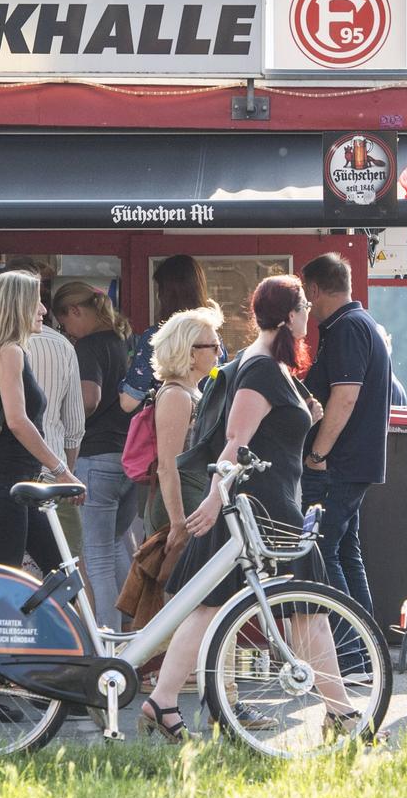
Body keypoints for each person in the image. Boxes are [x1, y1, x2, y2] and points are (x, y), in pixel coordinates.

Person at [143, 275, 346, 740]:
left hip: (255, 504)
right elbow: (235, 441)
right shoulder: (259, 369)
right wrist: (216, 500)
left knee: (208, 606)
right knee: (307, 610)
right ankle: (341, 712)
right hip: (263, 508)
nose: (308, 317)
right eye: (304, 310)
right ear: (290, 315)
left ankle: (162, 700)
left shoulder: (265, 366)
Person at [298, 251, 390, 630]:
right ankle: (367, 652)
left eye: (306, 294)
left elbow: (345, 396)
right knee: (346, 552)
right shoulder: (361, 322)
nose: (306, 304)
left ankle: (350, 654)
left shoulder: (347, 328)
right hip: (356, 463)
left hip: (339, 464)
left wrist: (319, 452)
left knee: (322, 551)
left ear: (316, 289)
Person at [0, 271, 83, 569]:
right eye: (36, 303)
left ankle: (51, 617)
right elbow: (17, 421)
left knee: (60, 571)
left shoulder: (5, 350)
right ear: (17, 306)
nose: (44, 310)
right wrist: (61, 470)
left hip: (19, 485)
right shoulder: (10, 352)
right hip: (8, 485)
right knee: (1, 582)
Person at [52, 280, 140, 630]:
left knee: (97, 557)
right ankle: (136, 629)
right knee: (118, 545)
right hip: (127, 457)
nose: (66, 332)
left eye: (63, 324)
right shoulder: (124, 341)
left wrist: (62, 419)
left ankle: (109, 641)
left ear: (75, 311)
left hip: (96, 455)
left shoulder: (88, 346)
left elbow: (88, 398)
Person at [148, 306, 226, 576]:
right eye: (214, 346)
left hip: (194, 498)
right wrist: (178, 522)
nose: (220, 352)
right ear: (191, 352)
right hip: (182, 502)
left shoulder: (191, 391)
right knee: (187, 592)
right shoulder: (176, 395)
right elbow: (167, 466)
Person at [120, 255, 222, 413]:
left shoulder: (158, 337)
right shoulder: (212, 338)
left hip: (169, 420)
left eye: (159, 289)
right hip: (207, 427)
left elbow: (128, 401)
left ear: (167, 293)